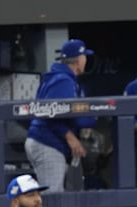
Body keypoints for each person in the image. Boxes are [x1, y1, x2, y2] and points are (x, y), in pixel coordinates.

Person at [25, 39, 96, 193]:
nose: (86, 60)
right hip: (47, 142)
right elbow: (50, 114)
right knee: (53, 198)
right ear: (78, 60)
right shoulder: (62, 81)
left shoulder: (63, 78)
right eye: (84, 56)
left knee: (53, 195)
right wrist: (70, 137)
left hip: (45, 141)